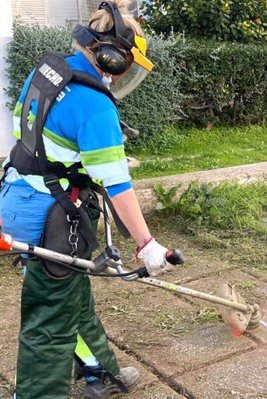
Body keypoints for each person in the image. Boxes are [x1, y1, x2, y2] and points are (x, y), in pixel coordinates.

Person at [0, 0, 178, 397]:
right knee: (49, 318)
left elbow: (26, 128)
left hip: (16, 194)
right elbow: (118, 186)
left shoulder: (47, 72)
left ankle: (100, 372)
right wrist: (147, 244)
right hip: (51, 217)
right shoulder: (95, 105)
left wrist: (77, 159)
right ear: (112, 58)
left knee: (70, 296)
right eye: (125, 65)